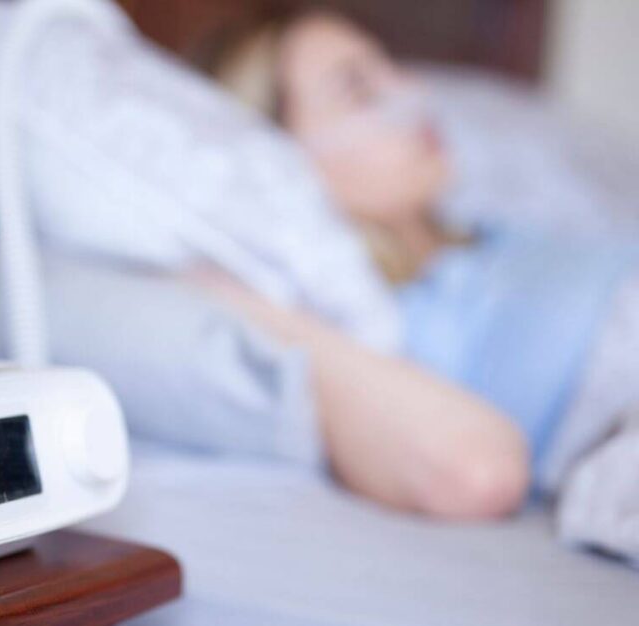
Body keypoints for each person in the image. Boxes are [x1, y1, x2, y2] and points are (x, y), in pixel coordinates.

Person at [192, 10, 639, 522]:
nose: (410, 91)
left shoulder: (492, 234)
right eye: (358, 90)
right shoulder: (387, 323)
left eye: (390, 66)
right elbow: (464, 467)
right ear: (278, 162)